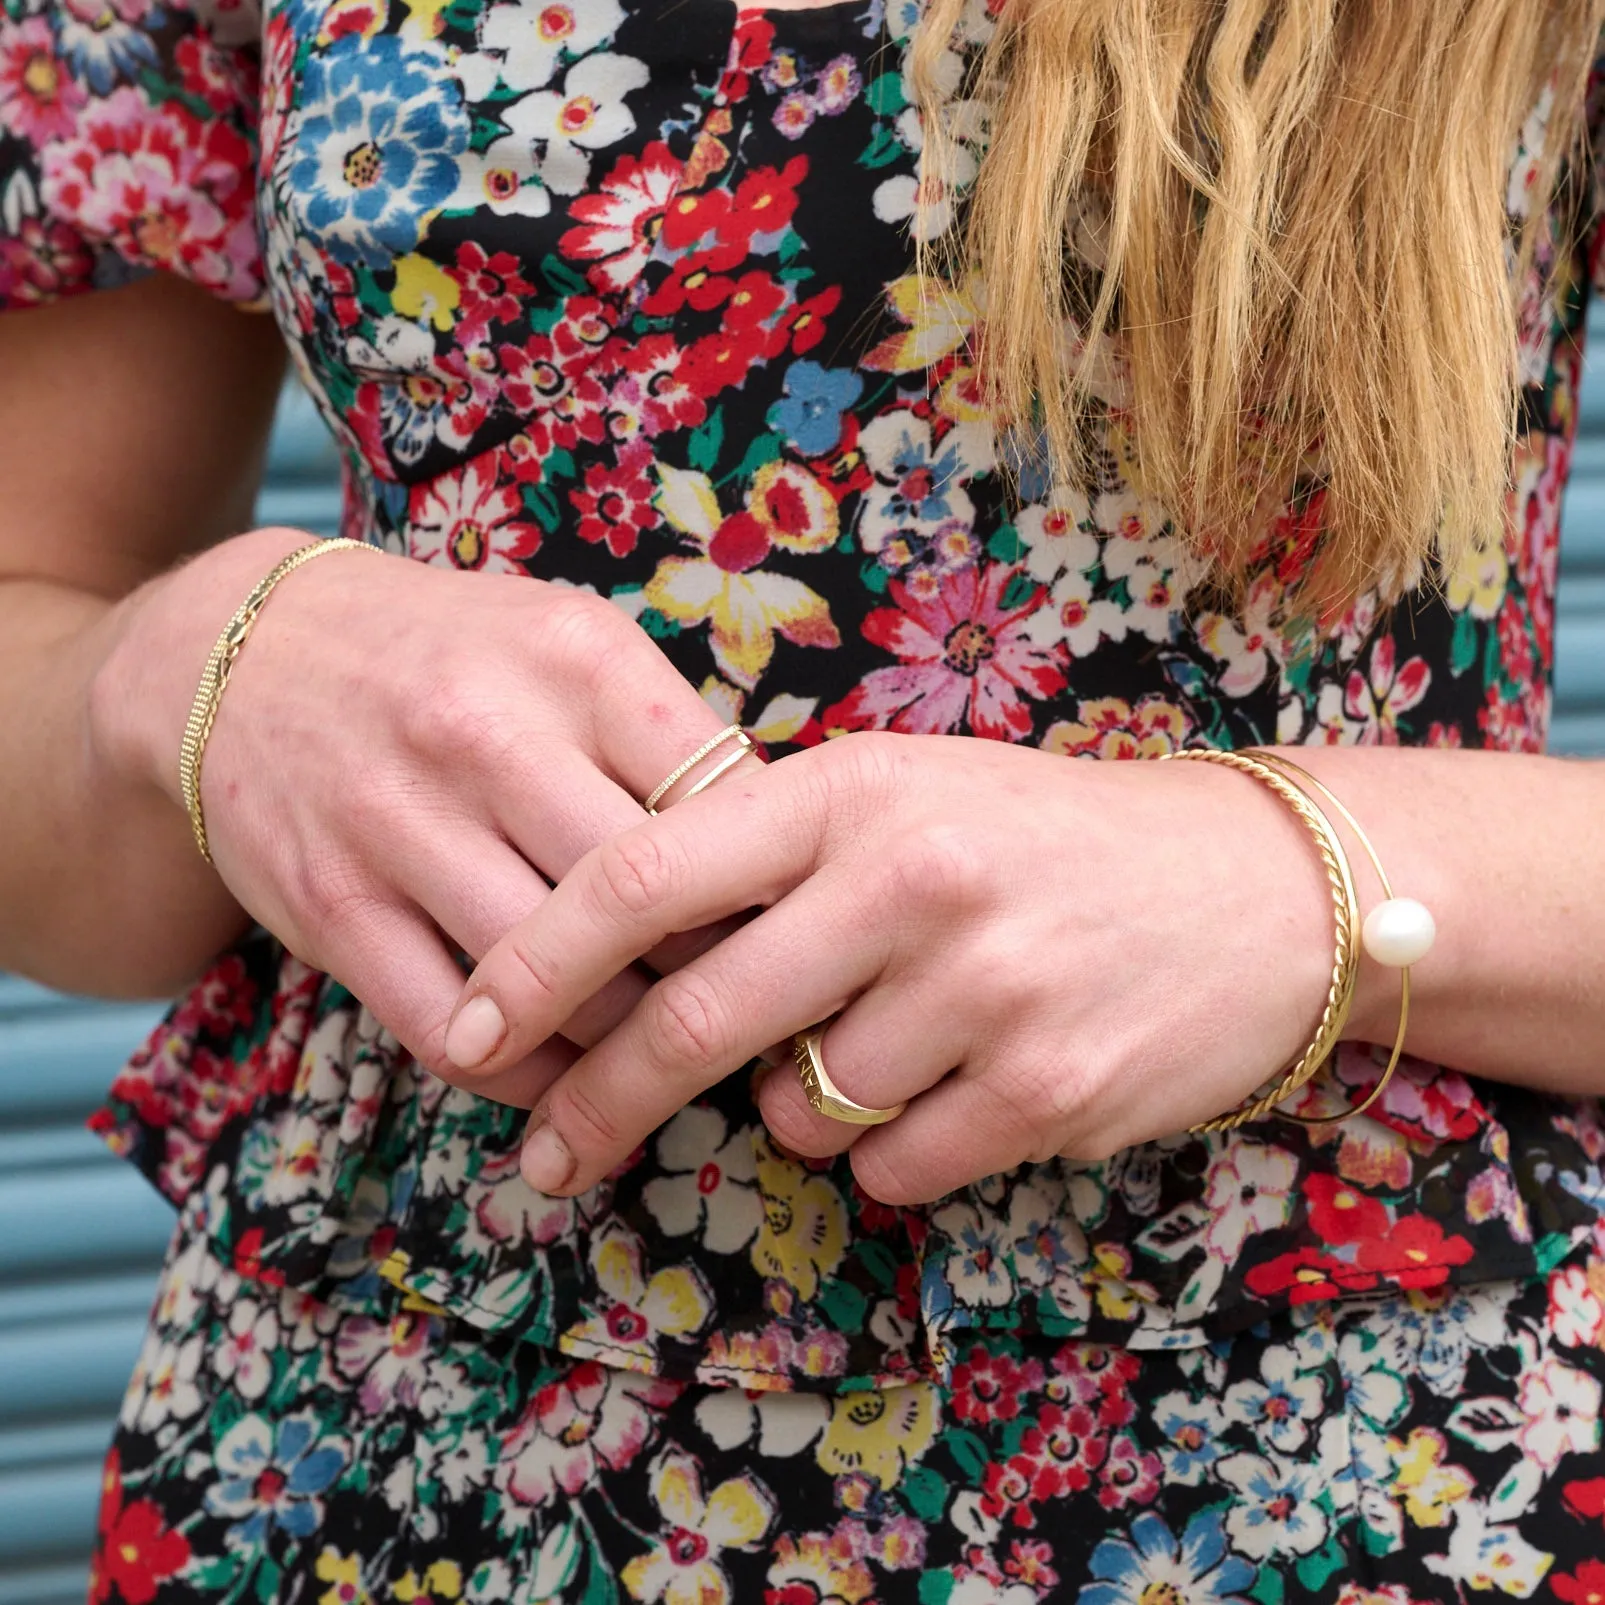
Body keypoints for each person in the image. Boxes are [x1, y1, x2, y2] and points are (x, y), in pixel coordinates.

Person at [4, 0, 1605, 1596]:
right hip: (387, 1441)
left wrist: (1301, 882)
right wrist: (197, 663)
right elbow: (45, 688)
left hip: (1340, 1451)